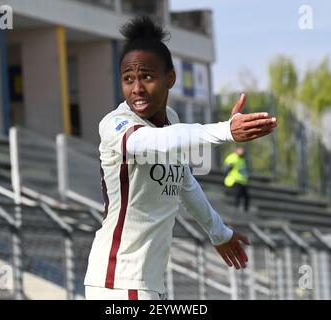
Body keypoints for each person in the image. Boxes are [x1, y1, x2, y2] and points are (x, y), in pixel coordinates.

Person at [84, 16, 277, 300]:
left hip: (145, 284)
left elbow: (185, 182)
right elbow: (153, 141)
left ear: (170, 78)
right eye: (128, 78)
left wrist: (219, 233)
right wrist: (225, 131)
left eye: (146, 76)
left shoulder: (171, 121)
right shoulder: (116, 125)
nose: (136, 87)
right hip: (119, 281)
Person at [223, 147, 250, 212]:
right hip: (236, 180)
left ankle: (245, 211)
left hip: (243, 181)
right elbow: (227, 168)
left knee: (247, 197)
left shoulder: (243, 159)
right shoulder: (233, 158)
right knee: (237, 196)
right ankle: (236, 210)